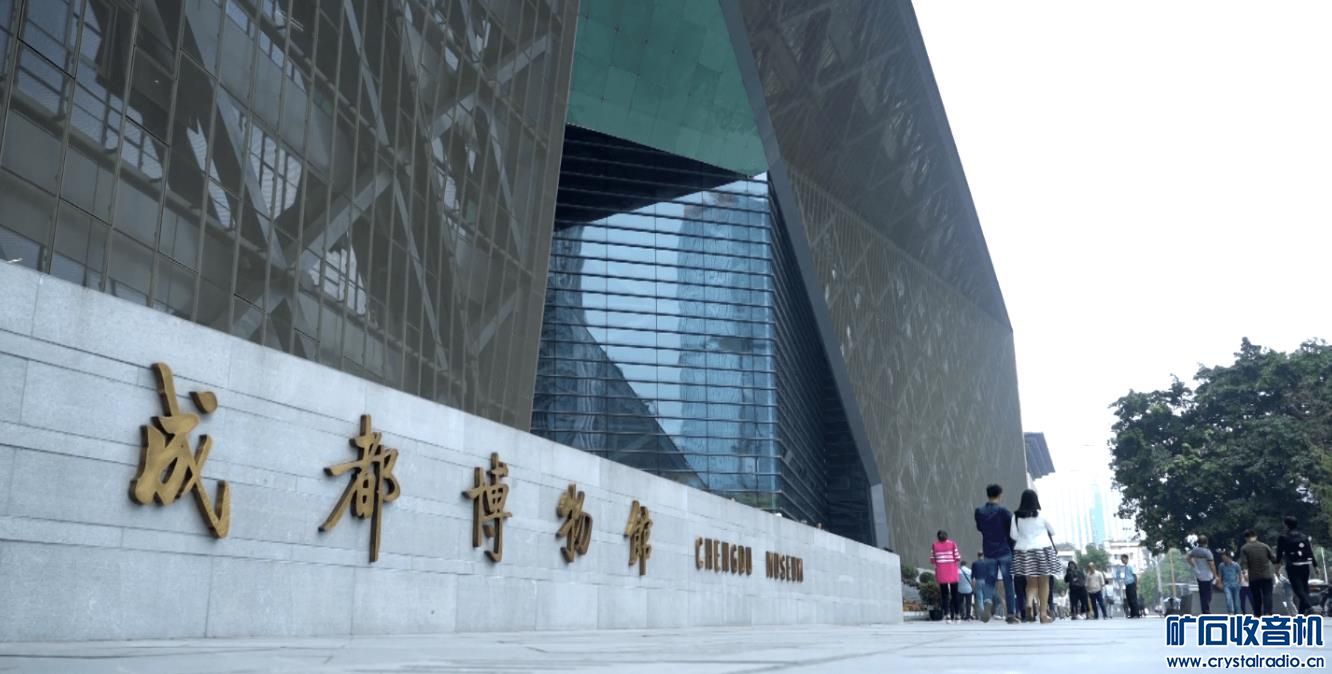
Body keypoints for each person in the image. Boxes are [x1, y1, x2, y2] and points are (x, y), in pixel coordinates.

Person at [1009, 489, 1060, 624]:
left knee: (1031, 583)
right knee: (1044, 582)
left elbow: (1013, 535)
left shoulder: (1016, 516)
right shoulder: (1042, 515)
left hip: (1024, 551)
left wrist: (1025, 537)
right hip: (1042, 550)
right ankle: (1043, 615)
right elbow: (1052, 531)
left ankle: (1029, 603)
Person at [975, 484, 1021, 624]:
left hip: (989, 550)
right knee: (1008, 582)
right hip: (1004, 550)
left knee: (990, 579)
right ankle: (1011, 614)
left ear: (987, 494)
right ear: (1000, 495)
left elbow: (980, 528)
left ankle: (988, 601)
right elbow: (1012, 533)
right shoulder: (1005, 512)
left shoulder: (979, 511)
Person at [1276, 515, 1316, 615]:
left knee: (1298, 589)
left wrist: (1277, 564)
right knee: (1304, 588)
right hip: (1305, 564)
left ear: (1286, 525)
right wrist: (1315, 565)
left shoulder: (1283, 537)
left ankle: (1309, 607)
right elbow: (1309, 551)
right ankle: (1302, 614)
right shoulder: (1303, 536)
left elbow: (1279, 553)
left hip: (1292, 565)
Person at [1238, 529, 1277, 617]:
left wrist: (1245, 574)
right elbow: (1273, 559)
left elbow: (1244, 563)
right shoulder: (1265, 546)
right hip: (1267, 575)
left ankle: (1257, 614)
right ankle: (1268, 612)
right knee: (1267, 594)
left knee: (1256, 596)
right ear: (1256, 536)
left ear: (1246, 538)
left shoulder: (1244, 548)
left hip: (1254, 576)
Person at [931, 530, 963, 624]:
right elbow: (957, 557)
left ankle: (947, 615)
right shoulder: (952, 544)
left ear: (938, 537)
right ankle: (957, 615)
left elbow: (932, 560)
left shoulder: (934, 545)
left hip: (942, 572)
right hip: (952, 571)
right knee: (955, 594)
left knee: (944, 595)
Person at [1187, 535, 1219, 613]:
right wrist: (1215, 575)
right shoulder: (1207, 552)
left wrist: (1194, 566)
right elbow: (1212, 565)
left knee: (1202, 594)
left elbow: (1188, 558)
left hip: (1199, 575)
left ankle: (1204, 610)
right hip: (1207, 576)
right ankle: (1206, 611)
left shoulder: (1194, 551)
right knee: (1208, 595)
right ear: (1206, 542)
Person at [972, 552, 999, 622]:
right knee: (987, 598)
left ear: (977, 555)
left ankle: (982, 614)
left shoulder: (975, 563)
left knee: (979, 598)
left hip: (978, 580)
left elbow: (973, 575)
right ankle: (988, 612)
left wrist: (973, 583)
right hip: (986, 581)